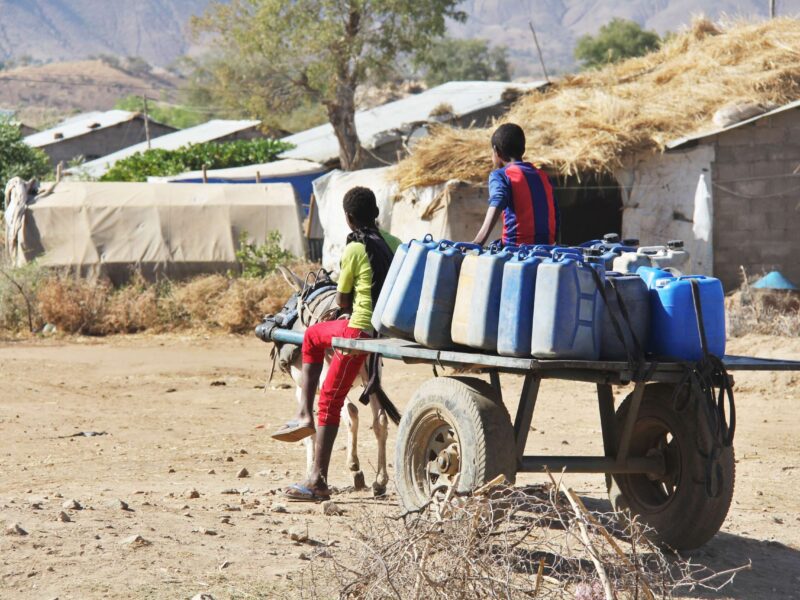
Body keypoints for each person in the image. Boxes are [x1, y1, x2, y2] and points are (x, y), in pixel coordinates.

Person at [272, 186, 401, 501]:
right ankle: (304, 415)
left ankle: (317, 481)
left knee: (329, 400)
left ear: (349, 218)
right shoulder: (393, 242)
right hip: (383, 327)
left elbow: (342, 299)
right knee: (314, 336)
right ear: (376, 215)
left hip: (359, 330)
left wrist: (350, 298)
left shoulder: (355, 249)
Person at [471, 123, 560, 248]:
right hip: (548, 247)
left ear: (497, 151)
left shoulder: (500, 175)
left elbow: (498, 200)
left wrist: (478, 242)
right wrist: (555, 245)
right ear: (523, 149)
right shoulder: (543, 176)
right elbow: (556, 215)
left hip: (516, 248)